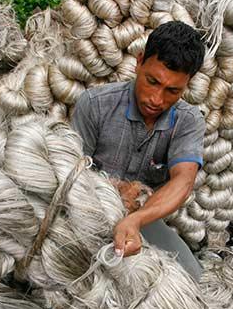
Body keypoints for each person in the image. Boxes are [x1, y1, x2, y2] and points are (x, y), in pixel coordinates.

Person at [71, 21, 206, 282]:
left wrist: (137, 219)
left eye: (172, 91)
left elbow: (183, 181)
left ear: (187, 84)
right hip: (85, 215)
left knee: (192, 280)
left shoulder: (188, 121)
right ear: (140, 61)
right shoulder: (95, 105)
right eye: (152, 81)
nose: (157, 99)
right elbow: (71, 175)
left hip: (140, 221)